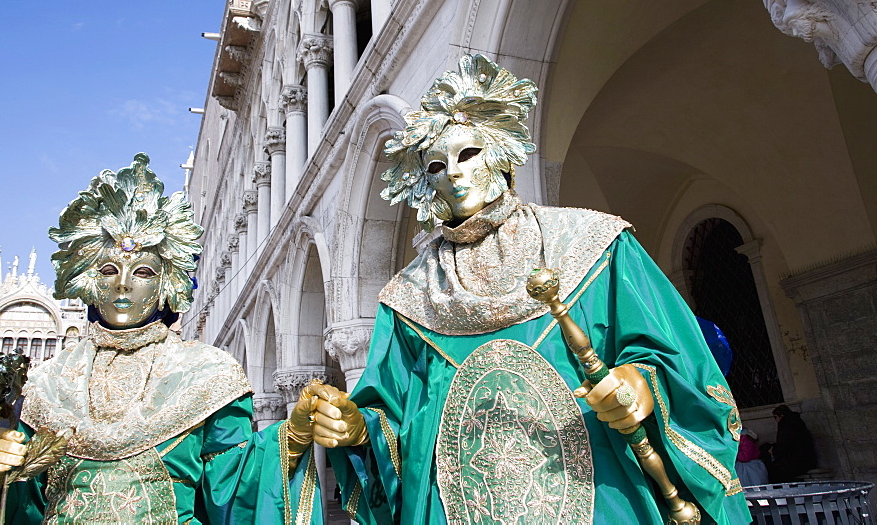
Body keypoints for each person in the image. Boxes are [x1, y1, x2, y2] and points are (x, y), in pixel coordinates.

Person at [299, 55, 751, 523]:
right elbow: (393, 416)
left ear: (500, 153)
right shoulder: (408, 297)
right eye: (436, 164)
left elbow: (681, 357)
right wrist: (357, 428)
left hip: (603, 494)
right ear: (424, 182)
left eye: (468, 154)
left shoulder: (593, 245)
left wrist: (641, 385)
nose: (453, 172)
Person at [0, 154, 321, 524]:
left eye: (141, 271)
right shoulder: (49, 384)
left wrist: (293, 438)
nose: (123, 284)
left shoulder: (205, 374)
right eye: (109, 269)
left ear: (165, 286)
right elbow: (26, 503)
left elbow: (236, 485)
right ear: (88, 280)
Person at [765, 404, 816, 483]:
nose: (776, 420)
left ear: (781, 416)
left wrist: (773, 450)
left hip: (797, 460)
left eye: (775, 417)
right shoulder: (796, 422)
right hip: (805, 458)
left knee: (774, 472)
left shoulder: (785, 426)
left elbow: (784, 445)